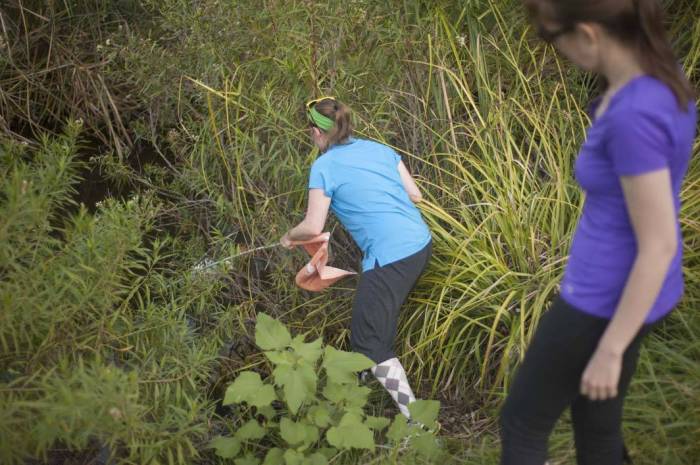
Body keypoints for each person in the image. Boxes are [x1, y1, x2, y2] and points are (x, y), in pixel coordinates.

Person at [500, 1, 697, 464]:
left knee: (523, 422)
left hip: (601, 299)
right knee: (596, 424)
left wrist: (610, 348)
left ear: (588, 34)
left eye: (553, 38)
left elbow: (659, 241)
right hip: (635, 294)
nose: (557, 50)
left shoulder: (634, 114)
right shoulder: (661, 77)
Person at [280, 96, 433, 419]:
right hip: (420, 242)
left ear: (318, 133)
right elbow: (415, 195)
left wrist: (290, 238)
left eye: (310, 131)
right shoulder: (379, 149)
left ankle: (420, 424)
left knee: (371, 343)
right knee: (370, 324)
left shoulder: (323, 167)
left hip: (391, 256)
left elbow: (312, 225)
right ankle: (360, 394)